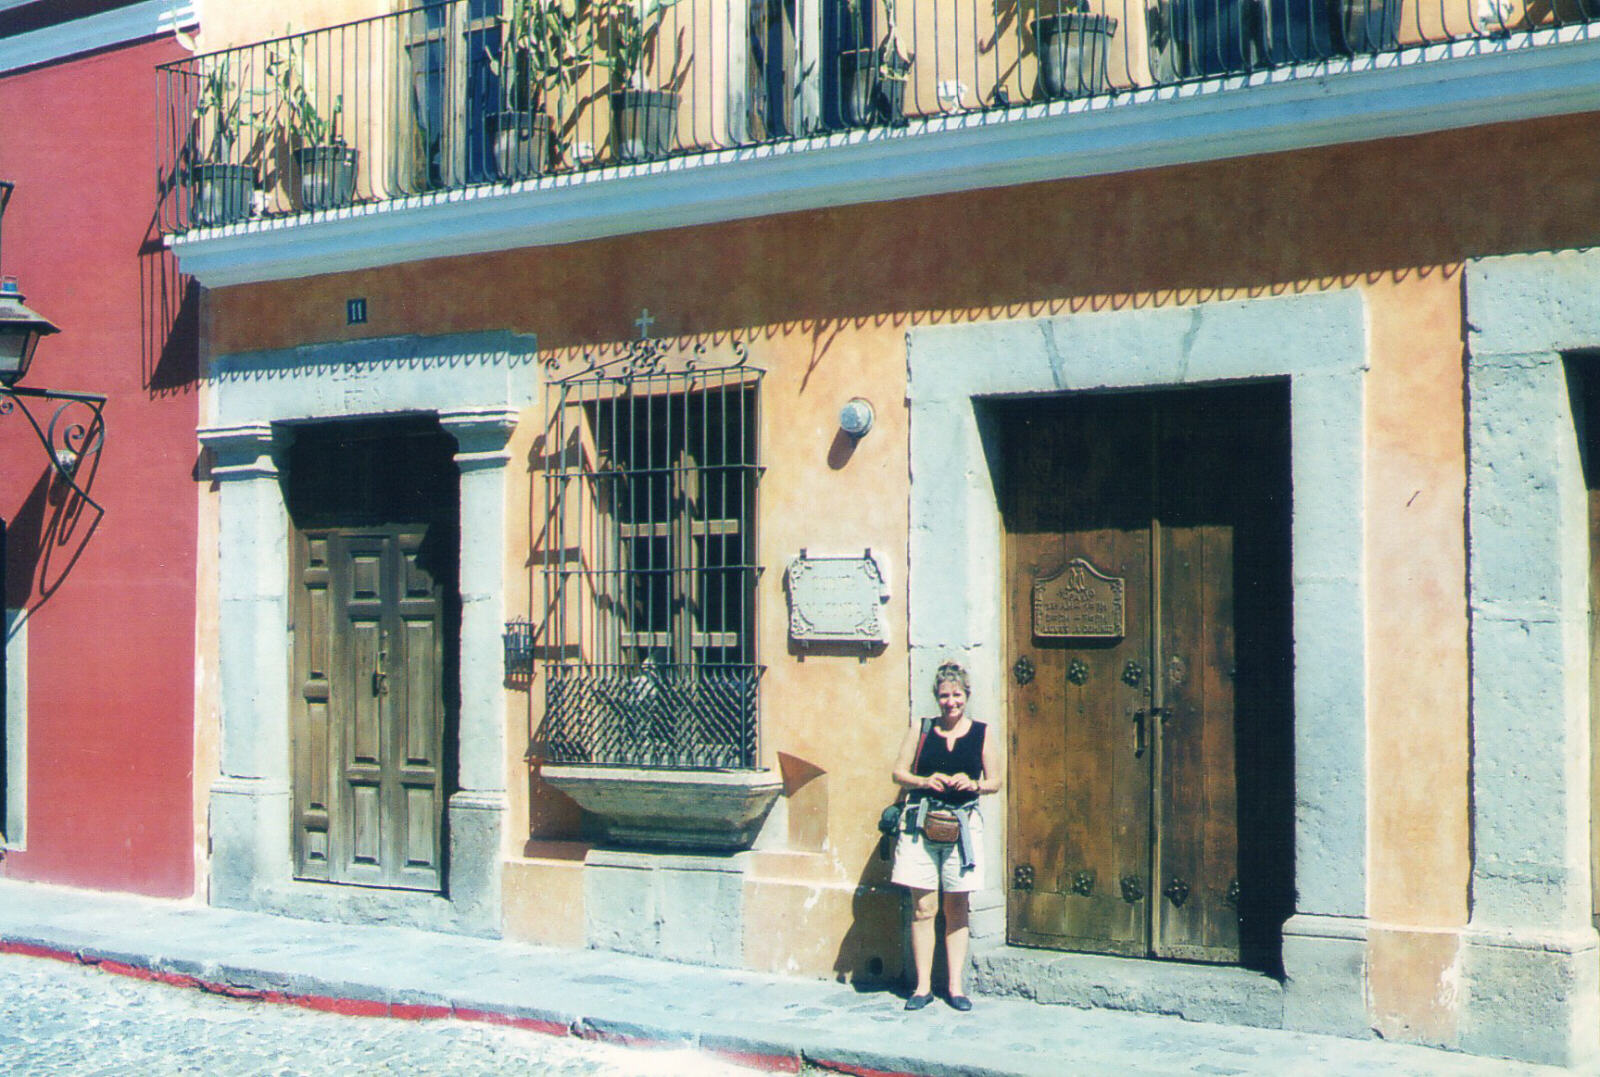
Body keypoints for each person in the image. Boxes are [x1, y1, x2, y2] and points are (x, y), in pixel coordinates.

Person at [889, 660, 1001, 1012]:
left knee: (957, 908)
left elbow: (996, 781)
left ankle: (955, 987)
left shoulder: (982, 732)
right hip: (921, 824)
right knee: (923, 907)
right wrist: (925, 781)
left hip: (963, 827)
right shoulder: (921, 729)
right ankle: (922, 987)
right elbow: (898, 773)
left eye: (956, 695)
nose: (950, 702)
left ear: (967, 695)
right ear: (935, 698)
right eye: (943, 696)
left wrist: (975, 784)